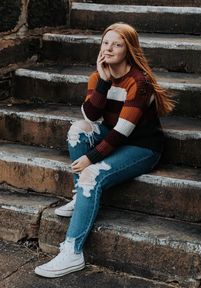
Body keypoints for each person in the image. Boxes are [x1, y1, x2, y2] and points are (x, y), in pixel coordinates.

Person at [35, 22, 174, 278]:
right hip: (112, 135)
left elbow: (123, 132)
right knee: (78, 128)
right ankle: (81, 197)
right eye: (106, 42)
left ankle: (72, 252)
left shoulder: (138, 82)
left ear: (128, 49)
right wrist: (102, 83)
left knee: (91, 174)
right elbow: (90, 115)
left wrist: (91, 158)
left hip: (141, 147)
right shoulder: (98, 76)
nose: (109, 48)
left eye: (117, 44)